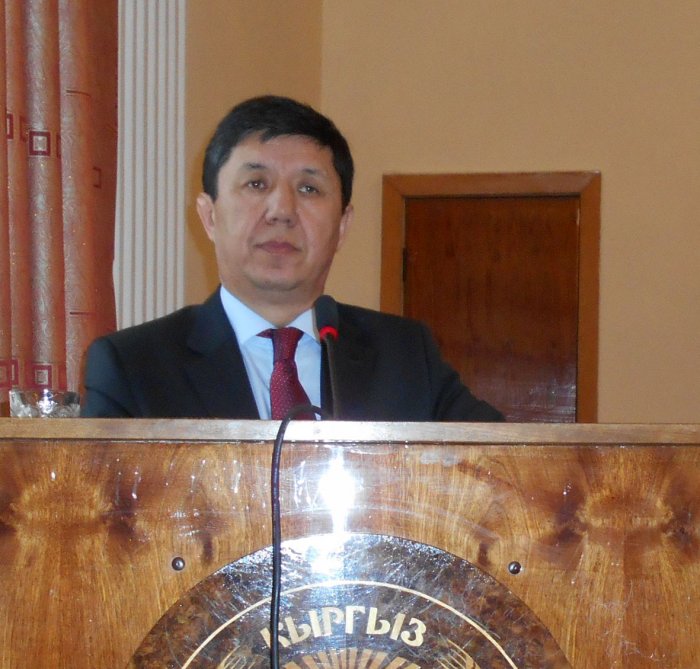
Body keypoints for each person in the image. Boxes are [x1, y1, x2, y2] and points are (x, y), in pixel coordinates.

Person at [82, 95, 503, 421]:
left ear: (342, 226)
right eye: (256, 183)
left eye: (308, 189)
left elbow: (508, 467)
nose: (281, 210)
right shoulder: (133, 366)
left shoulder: (405, 356)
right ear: (209, 217)